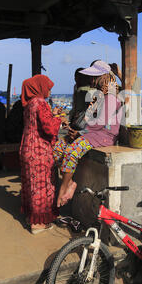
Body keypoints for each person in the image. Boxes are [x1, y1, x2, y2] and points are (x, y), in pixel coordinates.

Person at [53, 66, 123, 207]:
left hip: (105, 135)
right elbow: (89, 119)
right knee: (57, 148)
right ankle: (69, 182)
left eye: (94, 77)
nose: (91, 80)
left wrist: (81, 134)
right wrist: (77, 131)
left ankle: (64, 187)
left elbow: (101, 123)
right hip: (91, 132)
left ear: (103, 77)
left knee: (72, 151)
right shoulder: (99, 95)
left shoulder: (111, 96)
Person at [19, 75, 66, 234]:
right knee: (41, 186)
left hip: (27, 148)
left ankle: (31, 217)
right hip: (39, 151)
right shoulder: (40, 103)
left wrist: (52, 114)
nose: (50, 90)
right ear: (39, 87)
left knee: (31, 185)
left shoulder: (29, 104)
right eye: (48, 87)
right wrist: (59, 118)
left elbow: (40, 123)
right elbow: (50, 129)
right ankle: (38, 224)